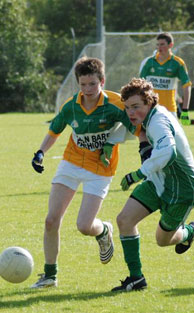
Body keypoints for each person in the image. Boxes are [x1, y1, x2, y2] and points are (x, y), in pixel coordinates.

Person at [30, 57, 140, 289]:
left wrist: (135, 144)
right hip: (71, 161)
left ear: (102, 81)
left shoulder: (116, 104)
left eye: (92, 84)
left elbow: (136, 127)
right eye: (83, 85)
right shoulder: (71, 105)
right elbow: (54, 131)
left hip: (101, 168)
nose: (88, 90)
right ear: (78, 84)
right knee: (51, 220)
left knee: (84, 226)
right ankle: (50, 275)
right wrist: (40, 152)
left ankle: (103, 230)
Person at [109, 78, 194, 292]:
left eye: (135, 107)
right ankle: (136, 278)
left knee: (162, 240)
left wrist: (138, 174)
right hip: (159, 181)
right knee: (124, 220)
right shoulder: (148, 119)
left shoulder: (159, 120)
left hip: (183, 190)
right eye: (127, 108)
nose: (131, 113)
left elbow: (168, 152)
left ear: (149, 103)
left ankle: (188, 232)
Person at [140, 32, 192, 126]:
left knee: (174, 139)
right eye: (158, 44)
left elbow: (187, 86)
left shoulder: (177, 63)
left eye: (162, 44)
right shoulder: (149, 62)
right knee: (150, 139)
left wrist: (185, 110)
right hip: (151, 109)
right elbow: (139, 85)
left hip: (170, 109)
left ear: (170, 45)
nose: (159, 47)